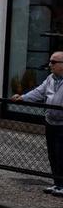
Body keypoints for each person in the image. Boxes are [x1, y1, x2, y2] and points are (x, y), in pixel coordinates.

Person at [13, 52, 63, 194]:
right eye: (50, 62)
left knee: (61, 154)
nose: (50, 65)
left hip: (62, 124)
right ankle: (57, 183)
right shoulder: (50, 78)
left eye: (53, 62)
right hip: (51, 122)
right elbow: (39, 92)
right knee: (52, 154)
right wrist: (23, 98)